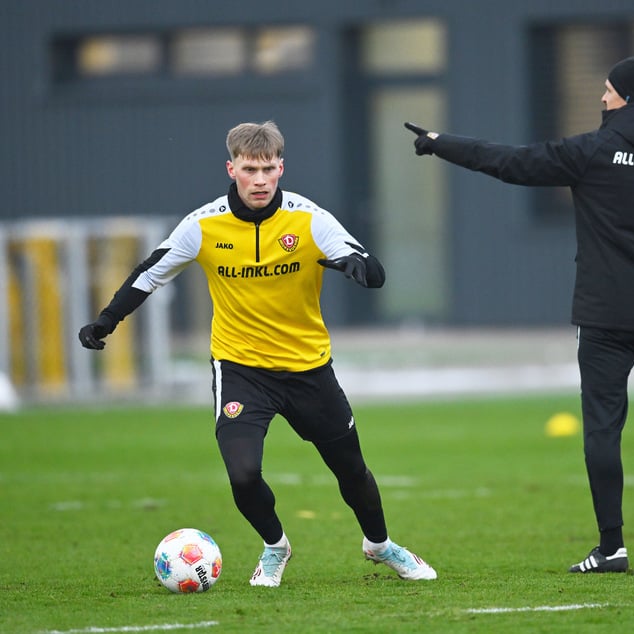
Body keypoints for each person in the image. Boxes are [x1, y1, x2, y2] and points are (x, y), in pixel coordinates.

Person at [405, 49, 634, 571]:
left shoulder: (593, 150)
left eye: (608, 91)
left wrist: (440, 143)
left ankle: (612, 548)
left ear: (627, 98)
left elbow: (512, 163)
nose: (601, 98)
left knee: (604, 431)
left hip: (606, 318)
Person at [78, 121, 436, 586]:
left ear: (281, 167)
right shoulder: (202, 225)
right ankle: (275, 547)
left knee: (352, 472)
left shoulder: (310, 219)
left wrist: (358, 267)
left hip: (308, 368)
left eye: (269, 168)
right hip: (241, 368)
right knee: (243, 474)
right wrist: (106, 320)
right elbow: (150, 272)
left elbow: (372, 270)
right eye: (251, 169)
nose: (261, 179)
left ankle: (380, 545)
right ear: (232, 169)